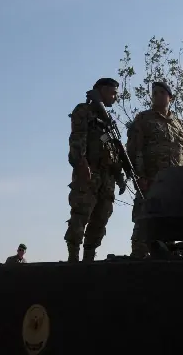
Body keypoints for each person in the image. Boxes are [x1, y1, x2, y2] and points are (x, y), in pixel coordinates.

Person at [126, 81, 183, 258]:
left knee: (169, 223)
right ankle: (138, 258)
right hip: (151, 179)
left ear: (170, 97)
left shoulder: (179, 124)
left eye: (161, 93)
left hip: (175, 183)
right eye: (154, 93)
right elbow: (134, 149)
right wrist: (140, 175)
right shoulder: (143, 119)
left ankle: (164, 258)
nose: (157, 96)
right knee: (144, 221)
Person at [65, 77, 126, 262]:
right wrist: (81, 163)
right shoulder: (84, 111)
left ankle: (89, 258)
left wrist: (119, 174)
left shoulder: (107, 120)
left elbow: (112, 148)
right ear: (102, 90)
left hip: (107, 176)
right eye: (113, 93)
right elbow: (77, 138)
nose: (115, 97)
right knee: (81, 214)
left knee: (101, 218)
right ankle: (73, 258)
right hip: (90, 171)